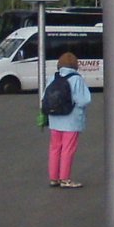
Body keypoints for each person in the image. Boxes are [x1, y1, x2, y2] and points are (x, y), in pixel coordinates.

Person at [46, 51, 92, 189]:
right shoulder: (76, 79)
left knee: (54, 148)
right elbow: (84, 100)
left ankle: (54, 178)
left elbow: (45, 95)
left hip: (54, 119)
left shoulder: (53, 77)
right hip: (71, 120)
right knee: (68, 149)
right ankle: (65, 179)